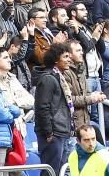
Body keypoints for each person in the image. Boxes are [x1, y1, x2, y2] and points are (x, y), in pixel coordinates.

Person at [35, 42, 74, 176]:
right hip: (53, 134)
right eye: (66, 57)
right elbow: (42, 108)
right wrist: (48, 133)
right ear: (56, 59)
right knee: (51, 172)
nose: (69, 59)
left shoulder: (59, 77)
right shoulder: (48, 79)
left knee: (60, 172)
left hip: (61, 131)